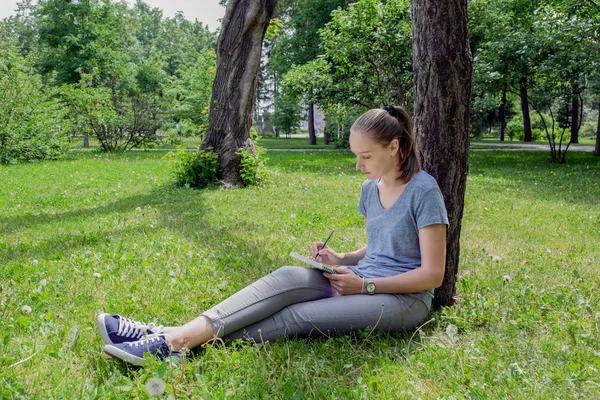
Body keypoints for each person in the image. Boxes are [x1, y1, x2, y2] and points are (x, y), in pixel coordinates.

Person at [97, 106, 449, 366]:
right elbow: (384, 244)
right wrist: (341, 260)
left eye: (365, 156)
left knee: (295, 316)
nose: (358, 165)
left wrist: (366, 286)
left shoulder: (423, 190)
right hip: (359, 278)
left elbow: (432, 274)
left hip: (404, 302)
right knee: (286, 278)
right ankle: (170, 337)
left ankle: (169, 339)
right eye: (356, 156)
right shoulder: (370, 189)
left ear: (394, 147)